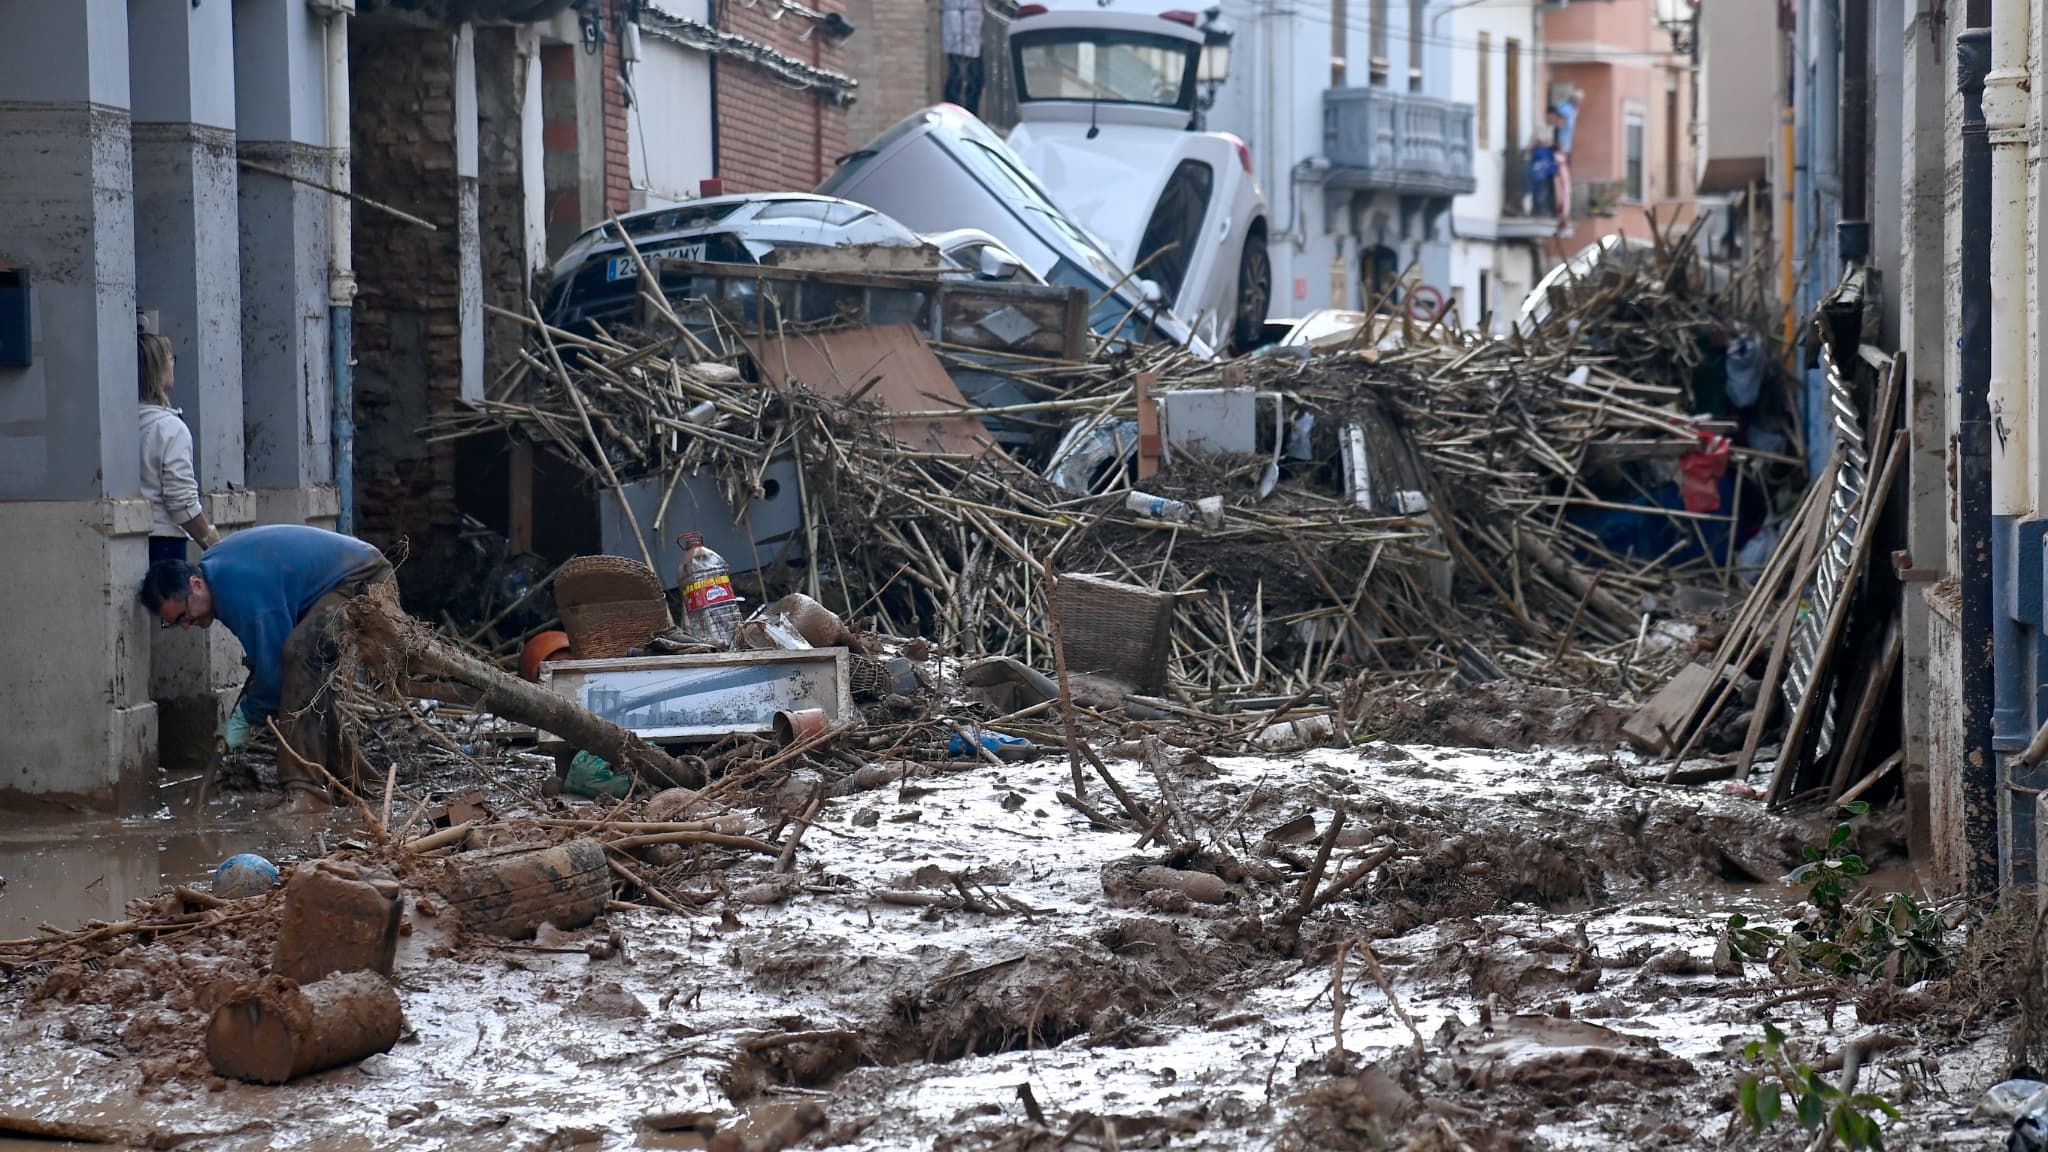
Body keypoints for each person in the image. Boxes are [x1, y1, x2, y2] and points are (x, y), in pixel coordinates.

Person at [139, 524, 395, 813]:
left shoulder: (236, 588)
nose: (186, 626)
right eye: (175, 623)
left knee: (300, 657)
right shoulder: (217, 576)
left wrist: (245, 717)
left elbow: (275, 677)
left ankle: (306, 791)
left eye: (184, 616)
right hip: (345, 579)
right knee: (306, 689)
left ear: (196, 584)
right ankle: (365, 787)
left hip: (363, 580)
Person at [137, 330, 220, 564]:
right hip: (165, 543)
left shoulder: (121, 426)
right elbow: (181, 502)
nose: (173, 364)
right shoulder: (170, 428)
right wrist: (214, 545)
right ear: (157, 369)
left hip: (136, 538)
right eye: (170, 358)